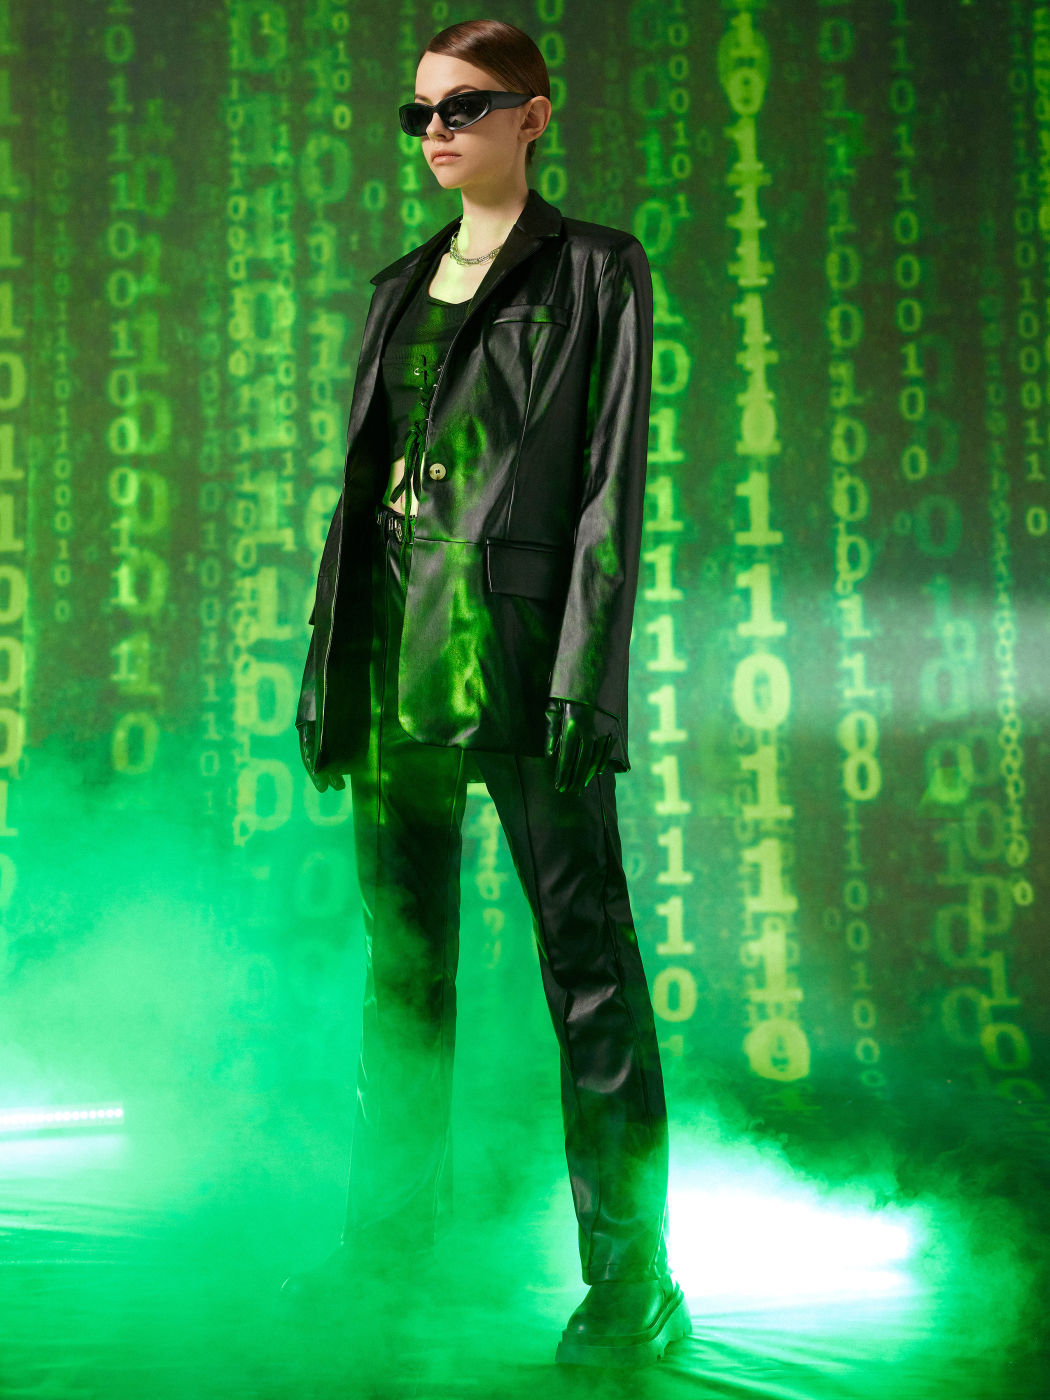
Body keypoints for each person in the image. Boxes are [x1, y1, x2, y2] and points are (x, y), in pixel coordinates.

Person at [282, 18, 691, 1370]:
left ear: (534, 116)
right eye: (421, 113)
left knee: (589, 974)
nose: (437, 132)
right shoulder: (397, 285)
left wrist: (586, 675)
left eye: (464, 106)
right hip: (388, 664)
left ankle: (630, 1279)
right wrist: (324, 675)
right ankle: (386, 1252)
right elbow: (358, 508)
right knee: (402, 977)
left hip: (520, 663)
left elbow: (608, 489)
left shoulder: (596, 270)